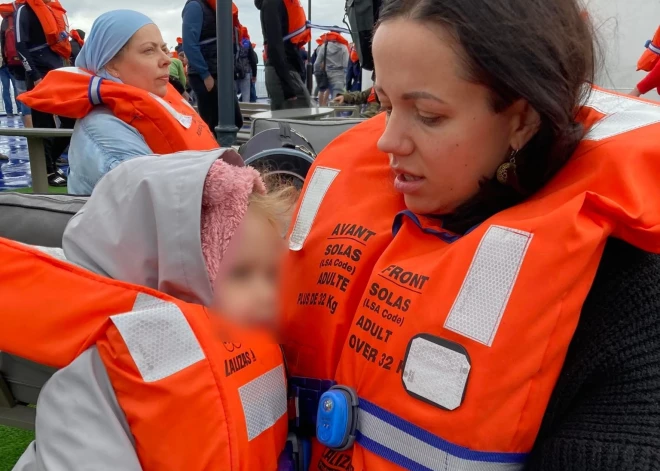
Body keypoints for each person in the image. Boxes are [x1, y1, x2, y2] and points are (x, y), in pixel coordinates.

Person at [281, 0, 660, 470]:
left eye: (428, 115)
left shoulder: (626, 296)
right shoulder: (373, 205)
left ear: (522, 120)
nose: (386, 142)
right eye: (384, 105)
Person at [5, 149, 295, 470]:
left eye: (272, 275)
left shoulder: (256, 349)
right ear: (169, 277)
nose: (267, 293)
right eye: (242, 274)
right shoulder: (95, 385)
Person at [20, 10, 219, 196]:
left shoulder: (156, 101)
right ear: (111, 65)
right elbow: (162, 207)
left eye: (164, 48)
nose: (166, 59)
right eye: (149, 50)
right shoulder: (106, 132)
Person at [16, 0, 74, 187]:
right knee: (44, 122)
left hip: (56, 71)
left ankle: (50, 161)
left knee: (71, 120)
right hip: (39, 74)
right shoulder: (24, 10)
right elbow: (20, 45)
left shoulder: (50, 9)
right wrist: (34, 75)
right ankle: (47, 170)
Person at [182, 0, 243, 132]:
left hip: (221, 74)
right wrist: (205, 75)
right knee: (212, 127)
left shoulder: (214, 6)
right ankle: (210, 151)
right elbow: (189, 44)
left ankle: (223, 151)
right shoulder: (195, 6)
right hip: (206, 76)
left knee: (235, 120)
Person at [255, 0, 311, 110]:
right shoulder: (272, 3)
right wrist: (287, 86)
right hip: (282, 74)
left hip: (288, 70)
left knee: (293, 123)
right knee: (302, 119)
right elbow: (274, 46)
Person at [0, 9, 32, 127]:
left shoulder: (5, 22)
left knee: (9, 90)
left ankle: (10, 112)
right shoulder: (26, 16)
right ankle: (19, 111)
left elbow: (3, 42)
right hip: (25, 60)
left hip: (8, 63)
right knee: (20, 90)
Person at [313, 32, 349, 105]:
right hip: (339, 76)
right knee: (337, 99)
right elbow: (346, 64)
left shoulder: (324, 47)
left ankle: (322, 109)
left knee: (322, 91)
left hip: (326, 75)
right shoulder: (343, 47)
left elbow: (317, 63)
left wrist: (318, 74)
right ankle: (335, 115)